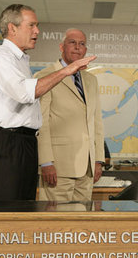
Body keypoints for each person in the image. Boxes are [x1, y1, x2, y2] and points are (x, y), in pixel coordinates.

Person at [0, 5, 96, 201]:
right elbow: (25, 93)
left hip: (24, 142)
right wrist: (67, 70)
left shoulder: (20, 61)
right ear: (12, 28)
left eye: (37, 26)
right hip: (7, 142)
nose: (37, 31)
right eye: (31, 25)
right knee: (6, 212)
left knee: (25, 209)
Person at [35, 28, 105, 201]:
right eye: (72, 42)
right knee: (56, 224)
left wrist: (98, 160)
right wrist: (46, 162)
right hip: (58, 167)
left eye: (82, 44)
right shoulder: (45, 77)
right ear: (61, 46)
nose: (77, 47)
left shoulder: (91, 80)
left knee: (82, 225)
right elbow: (41, 123)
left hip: (86, 169)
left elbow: (96, 122)